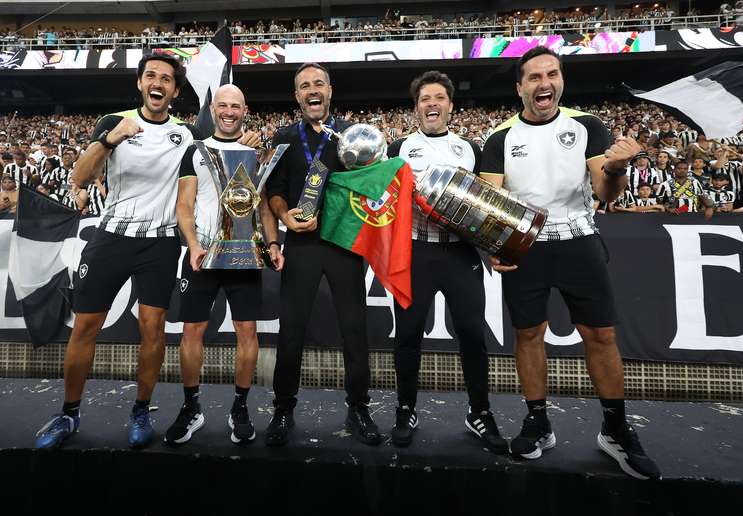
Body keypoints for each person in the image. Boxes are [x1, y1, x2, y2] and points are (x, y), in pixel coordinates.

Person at [481, 46, 660, 480]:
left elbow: (605, 192)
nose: (546, 83)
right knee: (528, 335)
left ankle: (614, 429)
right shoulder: (500, 137)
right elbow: (491, 202)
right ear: (520, 87)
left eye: (553, 74)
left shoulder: (587, 125)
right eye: (535, 77)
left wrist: (616, 168)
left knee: (600, 334)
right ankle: (538, 422)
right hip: (527, 248)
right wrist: (494, 246)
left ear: (561, 79)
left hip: (579, 240)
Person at [34, 54, 203, 450]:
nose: (157, 82)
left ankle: (141, 410)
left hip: (160, 243)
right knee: (85, 326)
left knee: (152, 331)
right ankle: (69, 413)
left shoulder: (187, 135)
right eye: (150, 76)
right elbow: (80, 176)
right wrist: (110, 139)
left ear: (175, 91)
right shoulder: (114, 122)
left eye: (166, 78)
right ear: (141, 84)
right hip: (111, 237)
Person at [386, 71, 507, 453]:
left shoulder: (470, 147)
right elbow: (385, 203)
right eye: (425, 99)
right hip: (416, 251)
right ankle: (406, 408)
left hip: (460, 252)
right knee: (407, 334)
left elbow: (489, 203)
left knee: (472, 334)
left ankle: (480, 411)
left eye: (439, 98)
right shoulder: (399, 147)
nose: (432, 104)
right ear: (416, 106)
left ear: (451, 106)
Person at [265, 62, 380, 447]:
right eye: (303, 86)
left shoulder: (354, 135)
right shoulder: (284, 137)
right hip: (301, 244)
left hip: (345, 244)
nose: (312, 90)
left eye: (318, 83)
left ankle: (359, 407)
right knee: (292, 330)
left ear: (330, 91)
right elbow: (275, 192)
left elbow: (374, 188)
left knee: (354, 329)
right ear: (297, 96)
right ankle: (283, 408)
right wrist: (285, 217)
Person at [166, 84, 282, 446]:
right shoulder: (195, 152)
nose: (229, 111)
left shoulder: (256, 152)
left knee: (247, 333)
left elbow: (261, 207)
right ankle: (191, 406)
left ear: (245, 110)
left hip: (244, 255)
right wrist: (194, 244)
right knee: (191, 333)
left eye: (236, 106)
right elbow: (184, 205)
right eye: (223, 105)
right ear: (213, 109)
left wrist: (273, 243)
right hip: (202, 255)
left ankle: (241, 406)